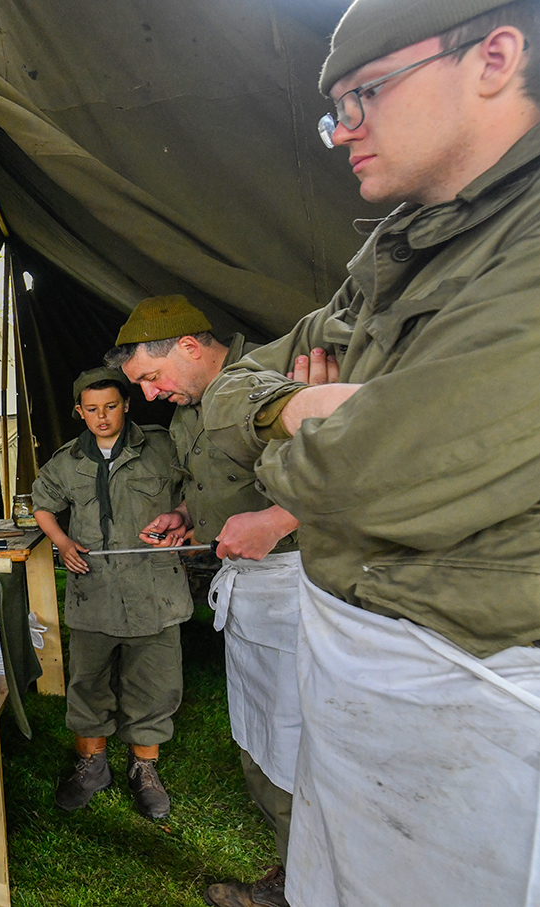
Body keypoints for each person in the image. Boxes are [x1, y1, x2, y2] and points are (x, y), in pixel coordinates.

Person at [201, 1, 540, 904]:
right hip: (365, 677)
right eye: (334, 106)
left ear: (494, 56)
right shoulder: (398, 246)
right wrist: (303, 407)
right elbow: (229, 394)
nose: (339, 131)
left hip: (482, 694)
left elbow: (361, 479)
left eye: (364, 94)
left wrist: (308, 435)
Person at [105, 295, 335, 907]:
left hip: (304, 587)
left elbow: (349, 461)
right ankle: (297, 876)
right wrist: (185, 515)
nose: (149, 396)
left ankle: (322, 886)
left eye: (151, 379)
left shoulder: (269, 379)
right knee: (263, 739)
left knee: (302, 746)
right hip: (251, 590)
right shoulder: (189, 411)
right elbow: (216, 482)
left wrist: (279, 521)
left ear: (187, 346)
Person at [32, 367, 191, 820]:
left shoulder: (162, 447)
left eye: (111, 407)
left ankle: (144, 769)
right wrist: (62, 542)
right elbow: (42, 503)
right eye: (92, 409)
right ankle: (92, 765)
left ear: (127, 405)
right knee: (88, 683)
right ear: (79, 412)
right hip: (94, 590)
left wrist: (181, 516)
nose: (102, 417)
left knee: (154, 683)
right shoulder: (67, 461)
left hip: (154, 587)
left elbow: (195, 489)